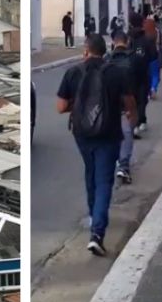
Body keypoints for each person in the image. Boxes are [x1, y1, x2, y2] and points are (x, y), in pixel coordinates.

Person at [57, 34, 137, 257]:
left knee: (90, 173)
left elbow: (60, 106)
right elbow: (129, 103)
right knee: (104, 180)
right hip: (109, 133)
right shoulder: (115, 73)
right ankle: (97, 233)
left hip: (82, 134)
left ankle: (94, 216)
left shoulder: (73, 72)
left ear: (86, 51)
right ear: (106, 51)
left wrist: (78, 101)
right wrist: (132, 117)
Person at [106, 31, 136, 183]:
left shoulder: (106, 59)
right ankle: (123, 165)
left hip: (108, 103)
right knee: (126, 133)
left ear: (113, 41)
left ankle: (115, 162)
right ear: (127, 41)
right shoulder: (132, 59)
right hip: (127, 102)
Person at [127, 13, 154, 135]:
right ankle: (139, 121)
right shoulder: (144, 39)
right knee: (141, 98)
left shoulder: (128, 37)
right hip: (142, 72)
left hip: (128, 72)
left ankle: (134, 121)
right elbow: (152, 55)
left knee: (130, 97)